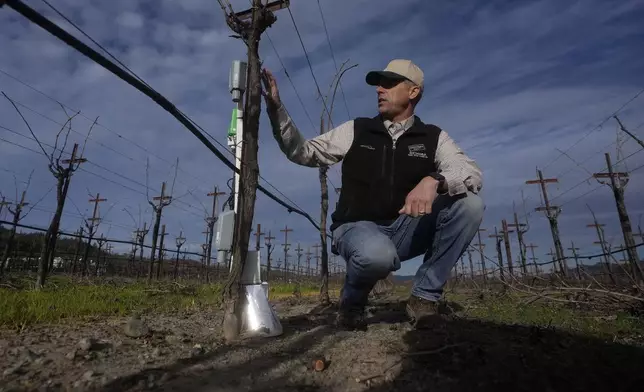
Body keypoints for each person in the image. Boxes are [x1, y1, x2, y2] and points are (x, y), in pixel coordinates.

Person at [261, 59, 484, 330]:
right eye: (379, 84)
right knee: (377, 255)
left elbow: (470, 172)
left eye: (389, 83)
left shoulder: (433, 137)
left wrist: (435, 179)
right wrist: (276, 110)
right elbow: (304, 151)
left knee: (469, 206)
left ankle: (424, 298)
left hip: (404, 228)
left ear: (413, 92)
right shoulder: (357, 129)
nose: (379, 89)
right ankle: (352, 302)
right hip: (356, 227)